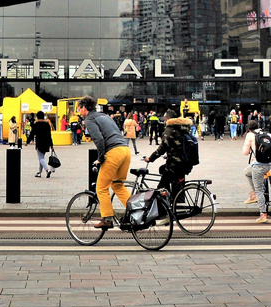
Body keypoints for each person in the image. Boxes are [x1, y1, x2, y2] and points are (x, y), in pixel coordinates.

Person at [79, 96, 131, 230]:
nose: (79, 112)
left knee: (101, 188)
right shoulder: (105, 116)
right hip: (125, 151)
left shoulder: (89, 119)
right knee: (117, 185)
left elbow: (99, 140)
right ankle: (136, 211)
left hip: (113, 152)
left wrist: (101, 158)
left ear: (84, 108)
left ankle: (107, 219)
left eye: (79, 108)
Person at [143, 114, 195, 198]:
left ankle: (164, 205)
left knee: (160, 188)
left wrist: (150, 158)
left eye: (165, 119)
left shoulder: (170, 129)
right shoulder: (183, 128)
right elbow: (179, 144)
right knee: (163, 170)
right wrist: (169, 153)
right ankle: (176, 199)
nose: (164, 121)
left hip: (174, 164)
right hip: (185, 162)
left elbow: (163, 147)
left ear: (168, 119)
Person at [242, 119, 271, 224]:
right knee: (247, 172)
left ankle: (263, 214)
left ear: (249, 128)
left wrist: (251, 149)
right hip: (268, 164)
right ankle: (253, 194)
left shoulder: (250, 135)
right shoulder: (266, 134)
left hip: (258, 165)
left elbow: (245, 152)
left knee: (259, 190)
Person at [31, 112, 55, 177]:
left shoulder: (36, 124)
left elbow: (32, 133)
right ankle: (39, 172)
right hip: (46, 143)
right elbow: (49, 136)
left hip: (39, 143)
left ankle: (47, 170)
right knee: (42, 158)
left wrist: (28, 141)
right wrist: (51, 145)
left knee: (40, 158)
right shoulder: (47, 124)